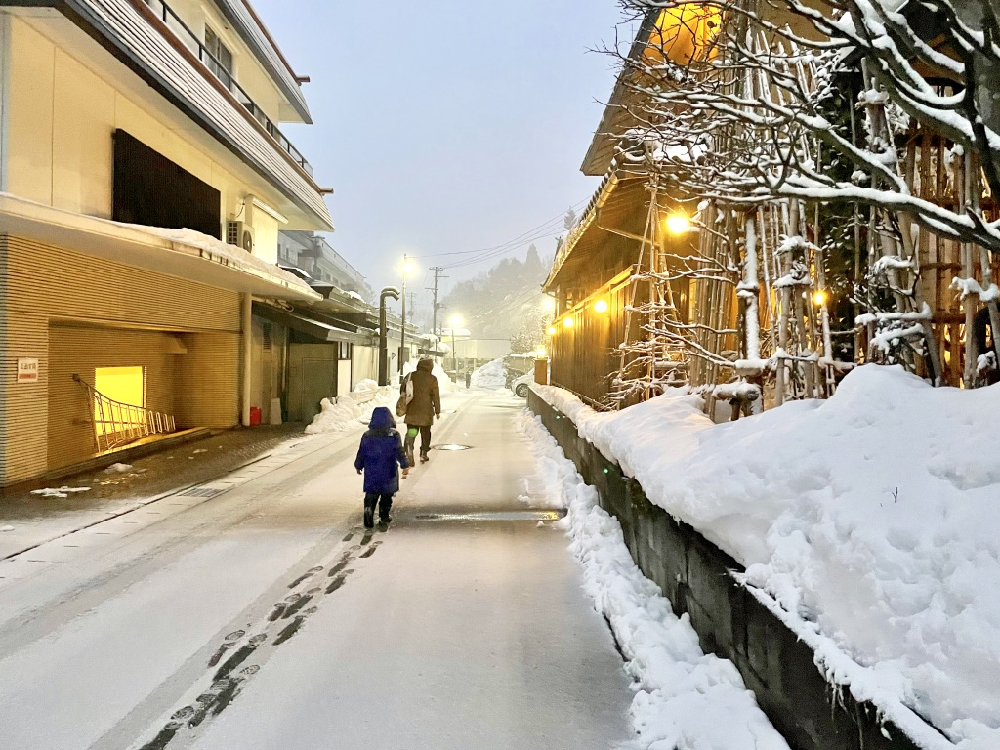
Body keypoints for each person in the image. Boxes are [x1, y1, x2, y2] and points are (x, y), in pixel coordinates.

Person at [354, 406, 408, 528]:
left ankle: (368, 509)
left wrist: (358, 465)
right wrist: (405, 465)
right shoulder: (393, 435)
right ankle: (384, 516)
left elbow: (362, 452)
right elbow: (399, 451)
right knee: (386, 495)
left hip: (371, 470)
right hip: (388, 470)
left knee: (371, 494)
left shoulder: (367, 435)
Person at [401, 357, 440, 465]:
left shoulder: (410, 375)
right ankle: (424, 452)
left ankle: (409, 450)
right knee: (425, 433)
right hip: (426, 411)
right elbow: (435, 396)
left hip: (412, 409)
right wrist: (437, 410)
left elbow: (402, 390)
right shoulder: (432, 379)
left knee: (412, 431)